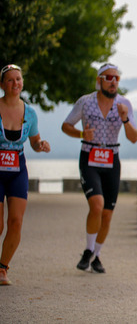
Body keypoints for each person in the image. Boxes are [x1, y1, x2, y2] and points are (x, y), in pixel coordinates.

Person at [61, 63, 137, 274]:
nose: (113, 82)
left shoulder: (124, 104)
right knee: (97, 205)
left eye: (116, 78)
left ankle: (96, 255)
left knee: (107, 214)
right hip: (90, 157)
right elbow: (66, 125)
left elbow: (134, 137)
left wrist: (125, 119)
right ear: (99, 81)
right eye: (108, 78)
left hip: (112, 159)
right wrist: (81, 134)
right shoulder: (85, 102)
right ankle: (88, 250)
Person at [0, 64, 51, 285]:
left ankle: (2, 268)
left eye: (18, 79)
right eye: (10, 80)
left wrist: (41, 145)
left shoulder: (30, 113)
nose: (15, 83)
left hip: (17, 170)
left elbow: (34, 142)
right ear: (2, 84)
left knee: (16, 222)